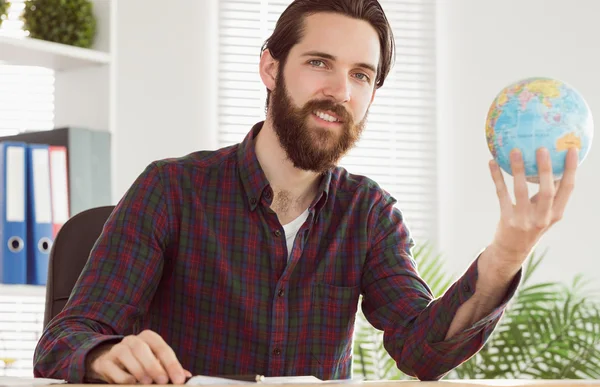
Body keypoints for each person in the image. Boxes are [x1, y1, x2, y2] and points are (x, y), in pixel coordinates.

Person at [33, 0, 578, 384]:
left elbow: (419, 351)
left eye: (361, 75)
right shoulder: (171, 189)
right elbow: (66, 338)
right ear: (271, 66)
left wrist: (509, 250)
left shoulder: (369, 213)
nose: (340, 90)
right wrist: (105, 353)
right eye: (320, 63)